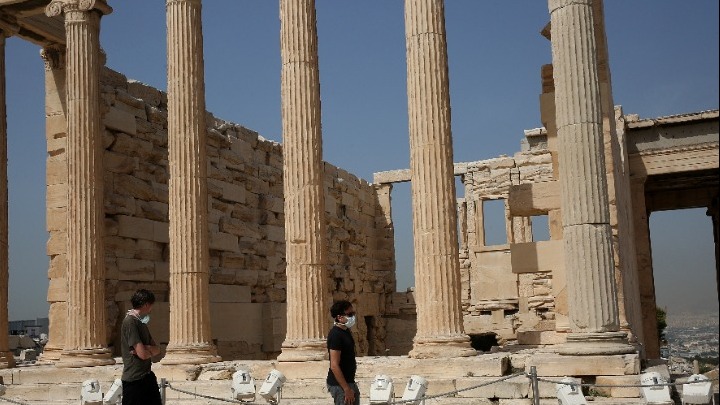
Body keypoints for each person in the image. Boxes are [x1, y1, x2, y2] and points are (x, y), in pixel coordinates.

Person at [121, 289, 162, 405]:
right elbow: (143, 354)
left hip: (147, 376)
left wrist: (146, 348)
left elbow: (157, 349)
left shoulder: (141, 322)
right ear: (146, 304)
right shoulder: (130, 322)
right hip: (134, 380)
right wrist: (147, 350)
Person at [326, 300, 359, 405]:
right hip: (340, 385)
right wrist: (346, 389)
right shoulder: (336, 335)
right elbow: (334, 365)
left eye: (353, 313)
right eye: (350, 314)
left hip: (349, 381)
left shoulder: (346, 331)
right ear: (340, 317)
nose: (353, 317)